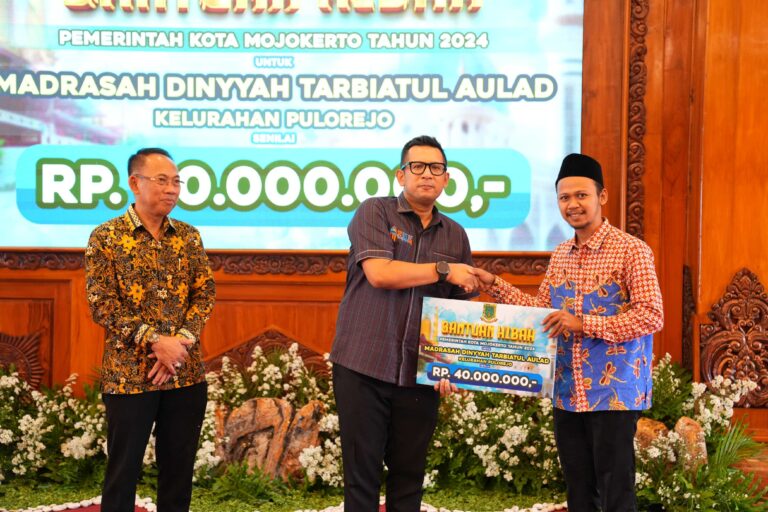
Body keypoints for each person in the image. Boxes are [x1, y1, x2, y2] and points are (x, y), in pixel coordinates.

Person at [472, 153, 663, 512]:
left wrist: (583, 323)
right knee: (578, 492)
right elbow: (543, 313)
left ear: (602, 197)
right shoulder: (560, 254)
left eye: (581, 195)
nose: (572, 204)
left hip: (614, 394)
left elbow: (651, 316)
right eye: (564, 197)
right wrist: (493, 284)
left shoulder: (632, 250)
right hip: (567, 391)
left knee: (617, 493)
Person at [330, 135, 479, 511]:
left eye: (436, 168)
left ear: (446, 179)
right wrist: (444, 269)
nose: (427, 174)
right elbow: (380, 273)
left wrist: (451, 364)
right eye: (418, 166)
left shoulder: (456, 235)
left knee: (409, 480)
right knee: (361, 480)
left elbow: (457, 309)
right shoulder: (374, 211)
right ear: (401, 175)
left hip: (419, 375)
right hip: (363, 366)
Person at [85, 148, 215, 512]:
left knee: (178, 473)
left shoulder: (188, 236)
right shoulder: (106, 237)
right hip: (129, 375)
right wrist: (156, 341)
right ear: (134, 183)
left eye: (176, 182)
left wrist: (181, 343)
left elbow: (205, 293)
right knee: (122, 473)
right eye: (162, 181)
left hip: (185, 374)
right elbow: (101, 303)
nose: (171, 189)